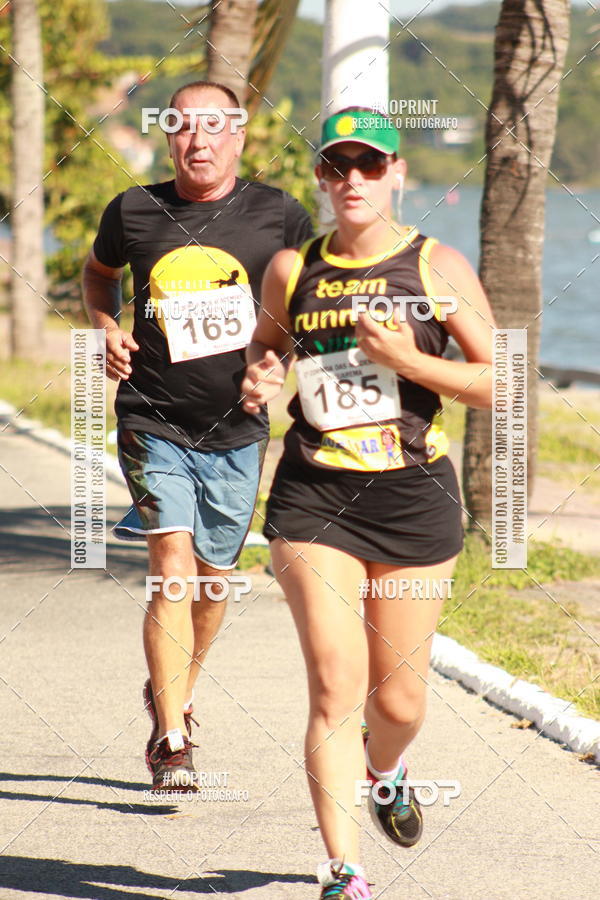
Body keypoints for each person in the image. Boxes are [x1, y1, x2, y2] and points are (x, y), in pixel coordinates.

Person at [242, 108, 494, 898]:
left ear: (398, 175)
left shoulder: (435, 265)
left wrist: (408, 360)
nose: (352, 180)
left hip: (414, 502)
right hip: (313, 497)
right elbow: (267, 345)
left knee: (401, 698)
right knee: (334, 682)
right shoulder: (292, 267)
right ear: (320, 176)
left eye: (370, 165)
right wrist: (261, 374)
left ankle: (386, 767)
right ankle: (341, 871)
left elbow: (502, 380)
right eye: (335, 166)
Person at [83, 80, 313, 792]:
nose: (199, 140)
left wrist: (277, 365)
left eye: (215, 126)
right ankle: (172, 738)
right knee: (173, 570)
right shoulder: (135, 210)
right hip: (153, 417)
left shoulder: (280, 215)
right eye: (184, 126)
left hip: (238, 430)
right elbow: (97, 276)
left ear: (240, 136)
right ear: (169, 135)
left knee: (214, 584)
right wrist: (107, 328)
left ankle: (173, 688)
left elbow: (309, 309)